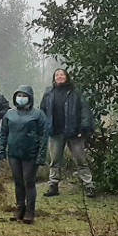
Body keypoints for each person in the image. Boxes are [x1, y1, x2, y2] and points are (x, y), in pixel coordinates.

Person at [40, 69, 96, 198]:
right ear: (54, 78)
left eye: (62, 74)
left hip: (74, 133)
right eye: (57, 75)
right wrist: (45, 126)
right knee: (54, 161)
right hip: (55, 132)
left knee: (81, 160)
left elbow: (85, 111)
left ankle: (89, 186)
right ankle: (53, 186)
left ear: (67, 77)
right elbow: (42, 110)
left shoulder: (75, 92)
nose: (59, 76)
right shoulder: (48, 92)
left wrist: (84, 128)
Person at [0, 86, 48, 224]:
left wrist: (41, 156)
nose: (21, 98)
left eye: (24, 95)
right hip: (14, 153)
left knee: (29, 182)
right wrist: (1, 150)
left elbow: (44, 136)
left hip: (30, 154)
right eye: (18, 95)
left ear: (30, 97)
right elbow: (3, 134)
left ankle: (30, 212)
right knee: (18, 181)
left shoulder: (38, 114)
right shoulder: (9, 114)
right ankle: (20, 208)